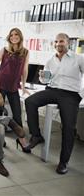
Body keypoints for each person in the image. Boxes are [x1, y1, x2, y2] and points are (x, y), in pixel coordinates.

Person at [25, 33, 84, 175]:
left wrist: (81, 93)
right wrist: (42, 78)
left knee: (68, 127)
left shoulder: (78, 59)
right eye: (56, 41)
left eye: (61, 41)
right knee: (30, 101)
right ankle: (36, 135)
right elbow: (46, 80)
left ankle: (63, 162)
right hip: (52, 90)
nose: (58, 44)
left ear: (68, 43)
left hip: (70, 94)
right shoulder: (50, 60)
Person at [0, 28, 30, 152]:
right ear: (9, 37)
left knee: (17, 114)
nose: (14, 37)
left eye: (16, 35)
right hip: (0, 84)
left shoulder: (25, 52)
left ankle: (21, 139)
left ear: (20, 36)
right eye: (11, 35)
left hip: (14, 86)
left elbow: (25, 70)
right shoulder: (4, 50)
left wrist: (24, 86)